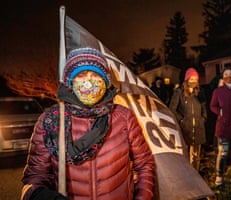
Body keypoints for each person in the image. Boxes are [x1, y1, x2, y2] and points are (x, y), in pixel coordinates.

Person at [21, 47, 155, 200]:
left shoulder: (124, 117)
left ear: (105, 82)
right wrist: (42, 196)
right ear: (70, 82)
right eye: (81, 75)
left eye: (96, 76)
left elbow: (144, 164)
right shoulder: (51, 120)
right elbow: (36, 176)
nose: (89, 82)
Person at [169, 67, 207, 171]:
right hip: (186, 129)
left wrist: (204, 117)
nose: (193, 82)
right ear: (187, 80)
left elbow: (204, 105)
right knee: (185, 154)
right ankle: (186, 175)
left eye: (195, 80)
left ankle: (196, 175)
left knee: (196, 155)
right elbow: (172, 109)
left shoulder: (200, 92)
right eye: (191, 79)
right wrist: (181, 120)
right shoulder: (179, 92)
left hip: (198, 127)